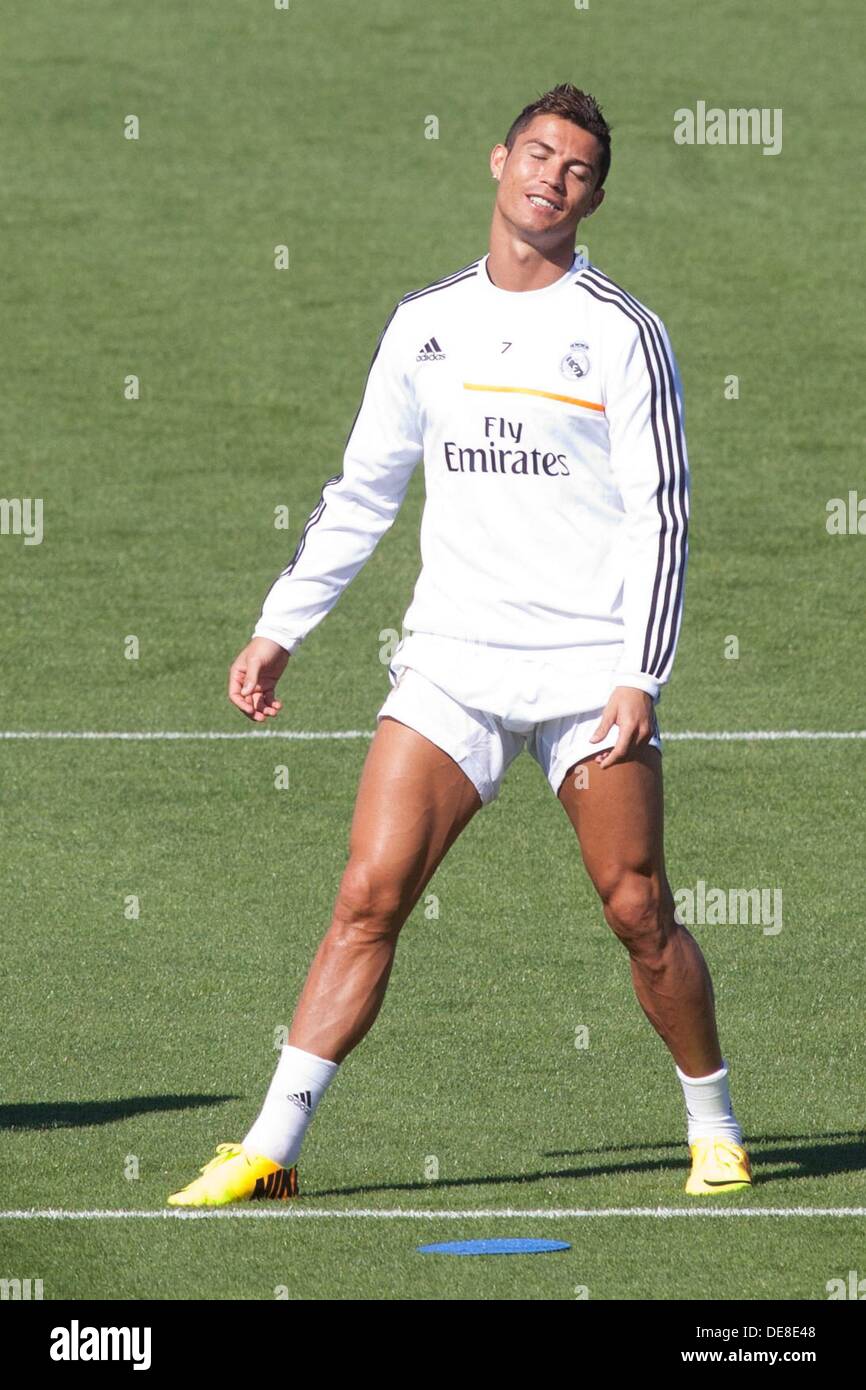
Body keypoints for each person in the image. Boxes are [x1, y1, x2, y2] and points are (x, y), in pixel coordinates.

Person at [168, 83, 751, 1207]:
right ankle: (269, 1146)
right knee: (367, 894)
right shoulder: (423, 324)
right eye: (537, 154)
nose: (551, 178)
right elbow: (362, 491)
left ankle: (712, 1122)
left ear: (594, 194)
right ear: (496, 162)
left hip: (587, 671)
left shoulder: (620, 333)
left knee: (638, 909)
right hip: (449, 665)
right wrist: (279, 626)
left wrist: (639, 673)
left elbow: (661, 514)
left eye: (576, 168)